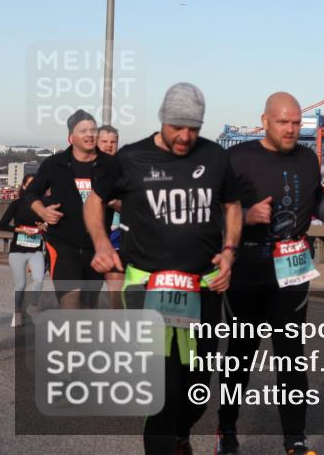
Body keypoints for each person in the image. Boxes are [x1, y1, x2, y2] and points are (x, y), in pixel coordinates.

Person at [85, 83, 243, 455]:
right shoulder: (131, 158)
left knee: (197, 389)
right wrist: (102, 243)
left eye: (193, 128)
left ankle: (180, 435)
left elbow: (233, 205)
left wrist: (229, 251)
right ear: (162, 119)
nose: (185, 136)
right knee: (164, 389)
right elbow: (95, 200)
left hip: (203, 288)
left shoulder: (216, 157)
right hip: (148, 288)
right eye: (177, 127)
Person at [216, 92, 324, 455]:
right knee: (240, 355)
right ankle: (227, 430)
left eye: (296, 122)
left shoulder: (307, 158)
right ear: (264, 120)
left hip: (292, 266)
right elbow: (214, 210)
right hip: (249, 266)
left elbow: (317, 199)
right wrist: (247, 215)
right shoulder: (238, 157)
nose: (291, 129)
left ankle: (295, 440)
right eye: (283, 122)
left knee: (291, 357)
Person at [24, 109, 109, 310]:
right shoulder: (55, 164)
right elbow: (30, 193)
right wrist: (43, 212)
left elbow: (129, 199)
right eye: (83, 130)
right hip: (64, 246)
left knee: (88, 307)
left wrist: (116, 203)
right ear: (71, 137)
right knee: (70, 304)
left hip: (96, 248)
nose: (89, 134)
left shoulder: (108, 166)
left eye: (93, 130)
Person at [0, 174, 46, 326]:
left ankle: (32, 308)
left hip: (36, 249)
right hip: (17, 250)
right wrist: (20, 230)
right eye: (30, 183)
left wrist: (44, 226)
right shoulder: (17, 204)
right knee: (20, 285)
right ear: (24, 186)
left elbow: (50, 224)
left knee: (39, 280)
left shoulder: (43, 205)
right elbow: (3, 224)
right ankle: (18, 313)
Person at [97, 124, 125, 307]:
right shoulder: (84, 169)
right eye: (104, 141)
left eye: (113, 142)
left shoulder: (125, 171)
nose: (109, 145)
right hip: (88, 242)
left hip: (117, 240)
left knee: (116, 295)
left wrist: (117, 204)